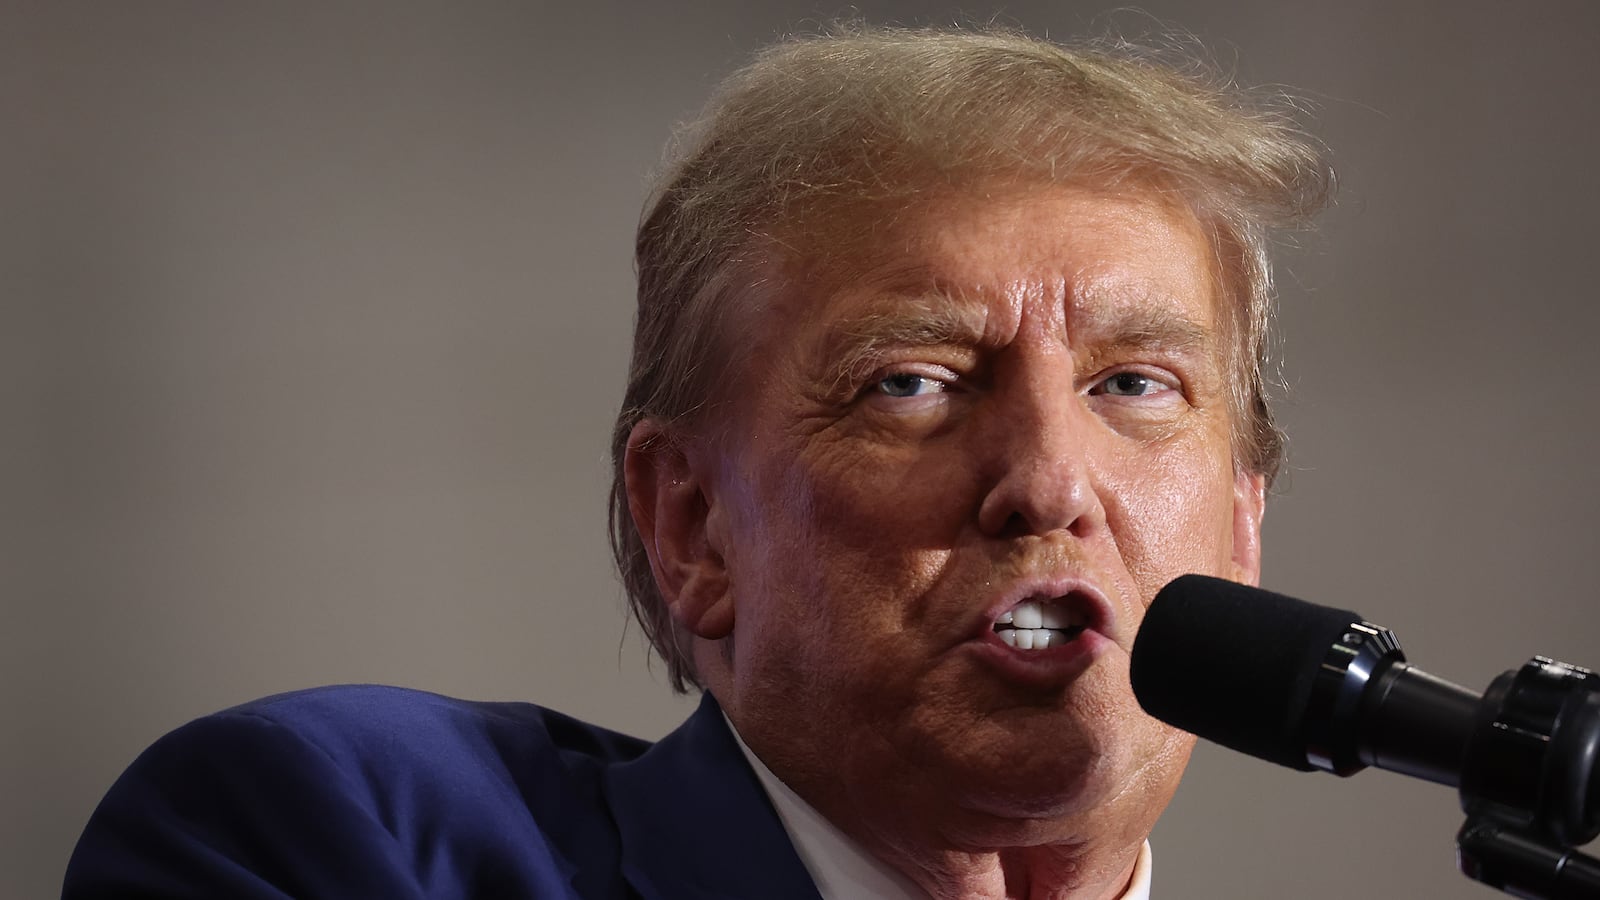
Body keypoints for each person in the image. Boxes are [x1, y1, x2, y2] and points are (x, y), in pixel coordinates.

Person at [63, 25, 1330, 900]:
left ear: (1239, 526)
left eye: (1132, 385)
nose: (1050, 484)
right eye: (912, 384)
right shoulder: (337, 839)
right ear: (692, 529)